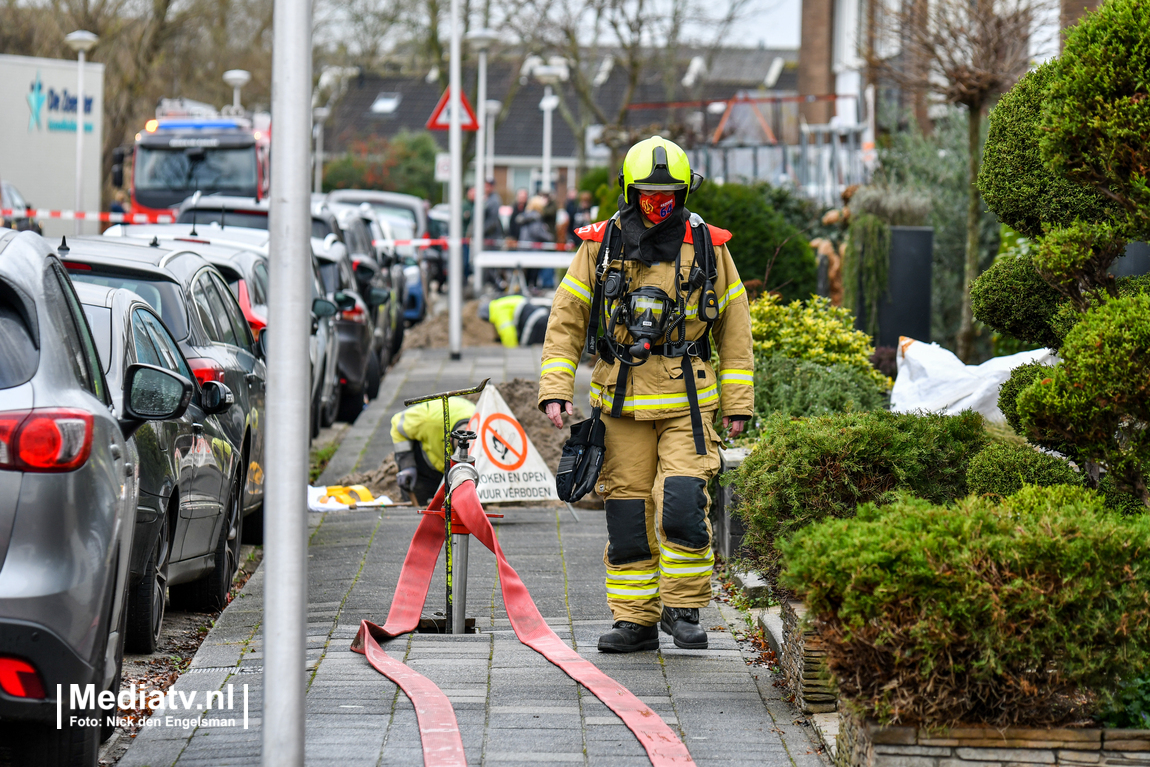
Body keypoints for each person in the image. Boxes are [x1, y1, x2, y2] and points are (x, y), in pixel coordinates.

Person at [536, 136, 754, 653]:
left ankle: (683, 608)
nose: (661, 203)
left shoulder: (708, 247)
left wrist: (738, 402)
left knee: (680, 505)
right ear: (630, 191)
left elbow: (734, 327)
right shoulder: (601, 245)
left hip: (688, 404)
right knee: (629, 515)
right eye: (651, 193)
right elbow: (566, 321)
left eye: (671, 193)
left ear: (686, 192)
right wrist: (555, 390)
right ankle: (635, 620)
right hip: (621, 402)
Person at [392, 397, 477, 506]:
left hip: (447, 469)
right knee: (422, 506)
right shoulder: (428, 420)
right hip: (425, 464)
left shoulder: (484, 423)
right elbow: (397, 424)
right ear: (451, 439)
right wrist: (407, 465)